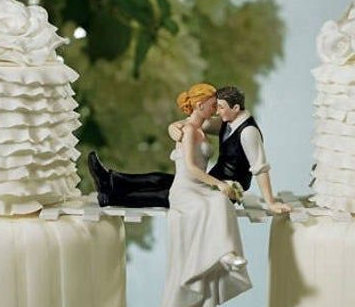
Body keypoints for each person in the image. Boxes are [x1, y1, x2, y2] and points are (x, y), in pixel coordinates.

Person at [87, 86, 291, 215]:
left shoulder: (248, 133)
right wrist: (173, 127)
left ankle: (112, 197)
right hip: (214, 181)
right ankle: (112, 180)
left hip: (227, 189)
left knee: (171, 194)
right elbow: (193, 125)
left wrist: (271, 202)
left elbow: (260, 168)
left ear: (235, 108)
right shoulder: (227, 124)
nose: (216, 112)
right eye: (215, 107)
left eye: (220, 107)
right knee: (163, 179)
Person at [150, 83, 252, 307]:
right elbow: (193, 168)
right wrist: (218, 184)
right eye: (212, 105)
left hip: (199, 187)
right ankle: (219, 257)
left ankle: (227, 254)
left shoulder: (203, 128)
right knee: (213, 202)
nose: (216, 109)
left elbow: (233, 123)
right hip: (186, 189)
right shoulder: (188, 132)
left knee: (220, 202)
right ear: (199, 105)